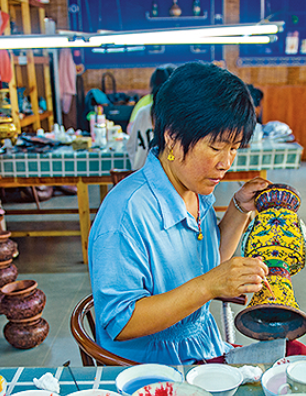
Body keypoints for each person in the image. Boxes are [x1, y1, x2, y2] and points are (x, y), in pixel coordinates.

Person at [89, 62, 270, 366]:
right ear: (172, 137)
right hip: (152, 365)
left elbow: (210, 263)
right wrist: (209, 285)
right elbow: (121, 322)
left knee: (293, 357)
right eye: (215, 147)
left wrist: (239, 209)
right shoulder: (126, 212)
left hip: (200, 345)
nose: (226, 163)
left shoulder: (193, 191)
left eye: (234, 148)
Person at [125, 65, 175, 171]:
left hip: (141, 176)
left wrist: (138, 166)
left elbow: (130, 146)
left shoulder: (142, 113)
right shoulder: (177, 115)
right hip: (168, 180)